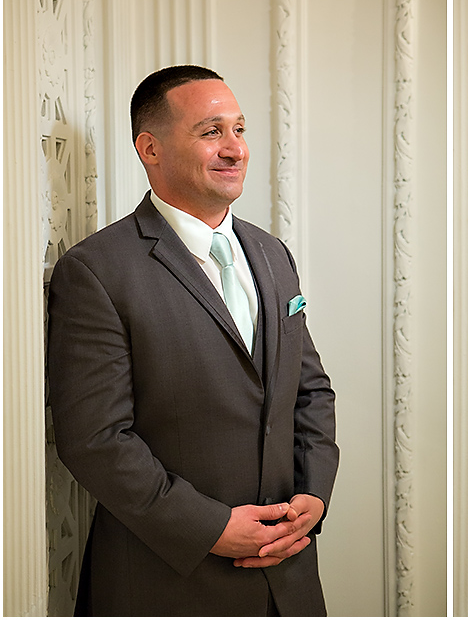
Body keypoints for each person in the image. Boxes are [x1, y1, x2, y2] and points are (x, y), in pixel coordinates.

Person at [47, 65, 339, 616]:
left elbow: (310, 391)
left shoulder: (273, 254)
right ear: (150, 148)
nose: (235, 149)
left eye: (239, 130)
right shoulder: (96, 271)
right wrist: (211, 528)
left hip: (290, 573)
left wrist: (313, 497)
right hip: (168, 581)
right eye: (211, 132)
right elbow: (96, 439)